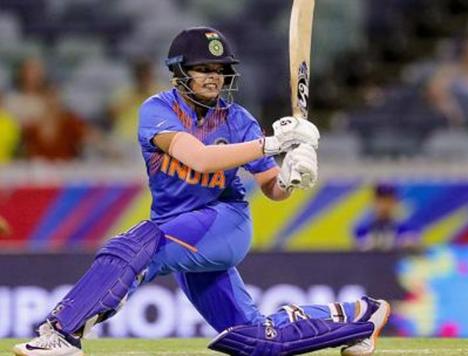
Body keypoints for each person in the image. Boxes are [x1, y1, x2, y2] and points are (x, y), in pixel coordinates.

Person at [13, 27, 390, 356]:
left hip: (224, 224)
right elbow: (200, 159)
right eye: (204, 69)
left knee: (137, 244)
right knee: (255, 338)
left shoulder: (240, 120)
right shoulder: (157, 110)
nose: (214, 77)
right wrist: (273, 144)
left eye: (220, 70)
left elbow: (272, 190)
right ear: (180, 72)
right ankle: (359, 316)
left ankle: (63, 334)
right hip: (178, 227)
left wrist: (290, 177)